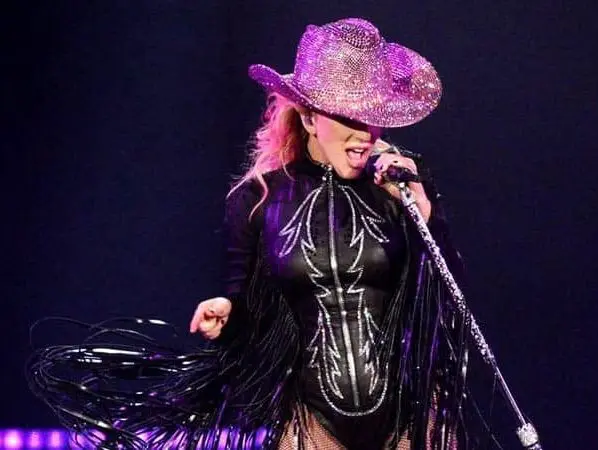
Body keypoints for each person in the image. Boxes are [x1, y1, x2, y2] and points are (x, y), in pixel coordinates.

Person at [27, 18, 469, 450]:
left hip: (410, 419)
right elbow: (249, 311)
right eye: (346, 116)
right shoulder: (258, 199)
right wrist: (228, 315)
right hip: (311, 425)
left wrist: (425, 215)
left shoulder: (400, 188)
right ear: (309, 117)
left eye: (370, 117)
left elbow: (452, 300)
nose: (363, 134)